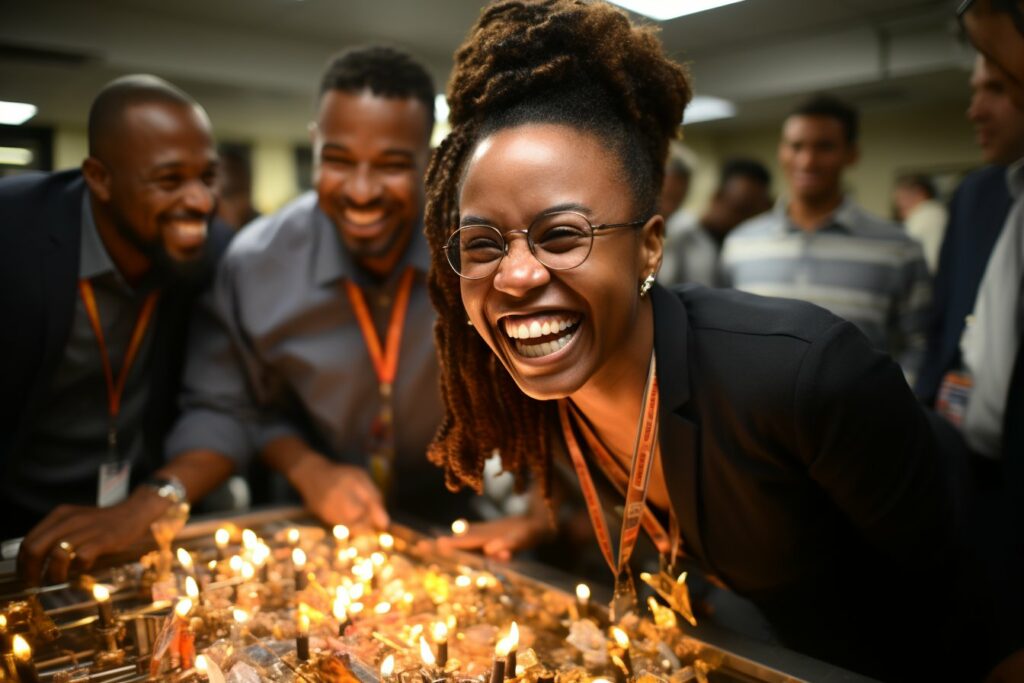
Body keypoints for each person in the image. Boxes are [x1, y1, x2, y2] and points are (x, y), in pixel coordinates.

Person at [421, 2, 970, 680]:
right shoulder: (531, 384)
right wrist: (545, 520)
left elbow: (965, 584)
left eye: (561, 234)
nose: (517, 275)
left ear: (650, 245)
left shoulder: (803, 374)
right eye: (482, 243)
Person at [165, 47, 537, 539]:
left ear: (429, 161)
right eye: (338, 161)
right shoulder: (255, 264)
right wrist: (306, 467)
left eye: (390, 165)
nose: (361, 192)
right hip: (313, 513)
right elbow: (233, 406)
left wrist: (541, 512)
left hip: (455, 511)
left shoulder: (483, 253)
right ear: (315, 146)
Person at [0, 75, 234, 583]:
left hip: (132, 520)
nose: (200, 202)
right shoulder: (12, 236)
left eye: (207, 177)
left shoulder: (211, 252)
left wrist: (153, 500)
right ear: (99, 179)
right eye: (169, 180)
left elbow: (226, 400)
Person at [719, 95, 931, 380]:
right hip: (756, 422)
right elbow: (721, 338)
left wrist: (893, 412)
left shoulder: (899, 249)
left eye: (824, 147)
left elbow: (920, 344)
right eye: (796, 147)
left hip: (860, 421)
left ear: (852, 154)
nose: (807, 161)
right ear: (782, 151)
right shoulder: (739, 245)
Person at [916, 54, 1024, 411]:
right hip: (959, 437)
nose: (974, 111)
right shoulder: (974, 193)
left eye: (997, 88)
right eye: (974, 91)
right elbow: (943, 312)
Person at [658, 158, 771, 287]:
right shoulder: (679, 235)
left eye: (756, 214)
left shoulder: (747, 246)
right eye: (741, 208)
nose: (747, 221)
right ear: (717, 197)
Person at [892, 173, 947, 274]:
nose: (898, 204)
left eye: (901, 198)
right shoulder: (935, 212)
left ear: (920, 193)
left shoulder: (927, 215)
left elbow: (904, 250)